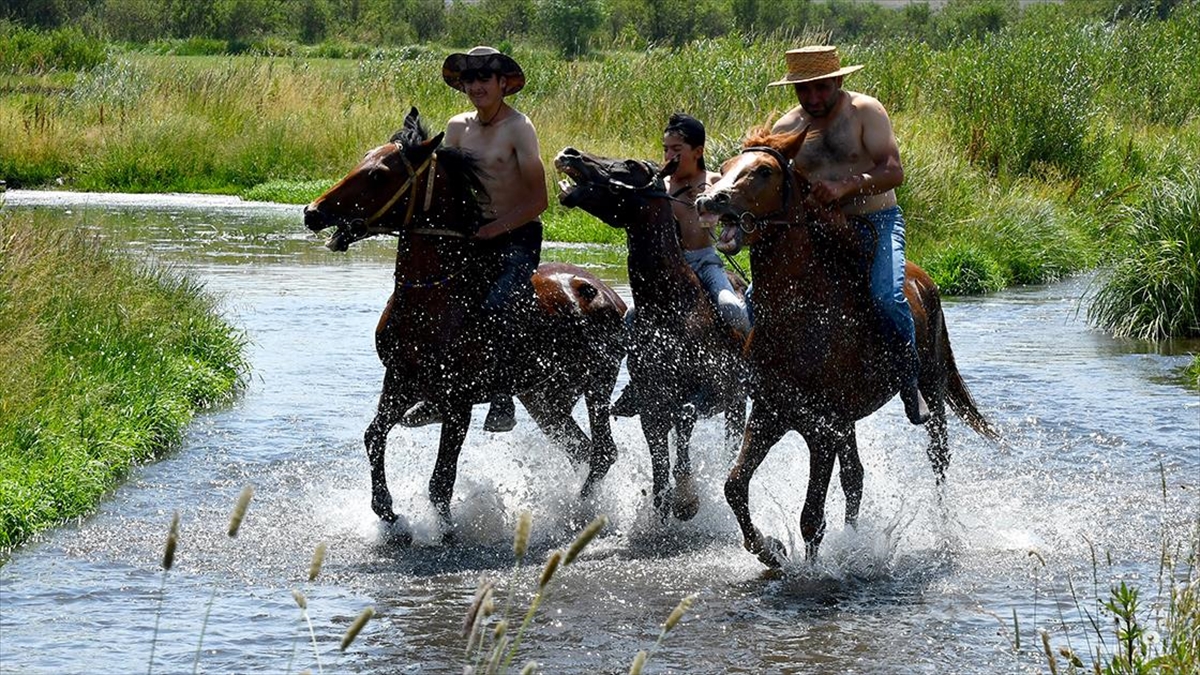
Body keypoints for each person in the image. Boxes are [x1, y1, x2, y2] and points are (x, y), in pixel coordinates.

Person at [769, 45, 930, 425]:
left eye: (821, 88)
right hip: (817, 229)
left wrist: (845, 187)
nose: (813, 98)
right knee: (761, 297)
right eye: (803, 90)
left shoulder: (865, 111)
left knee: (886, 296)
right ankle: (763, 379)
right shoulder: (786, 128)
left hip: (876, 220)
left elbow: (893, 171)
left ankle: (910, 379)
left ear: (839, 80)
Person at [403, 46, 548, 433]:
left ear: (503, 83)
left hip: (517, 236)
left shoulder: (520, 127)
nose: (476, 86)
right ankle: (434, 393)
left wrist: (491, 231)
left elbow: (539, 200)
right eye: (469, 78)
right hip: (469, 236)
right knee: (428, 300)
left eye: (485, 78)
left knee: (498, 303)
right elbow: (446, 189)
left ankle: (503, 396)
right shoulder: (456, 127)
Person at [611, 113, 749, 418]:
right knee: (632, 319)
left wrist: (719, 213)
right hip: (671, 270)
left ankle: (749, 372)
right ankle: (636, 384)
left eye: (677, 150)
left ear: (697, 151)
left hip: (705, 262)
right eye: (665, 149)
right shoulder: (659, 185)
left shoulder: (712, 181)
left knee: (731, 308)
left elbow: (735, 220)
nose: (669, 156)